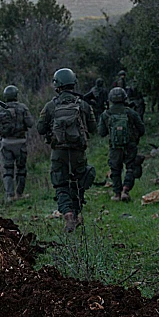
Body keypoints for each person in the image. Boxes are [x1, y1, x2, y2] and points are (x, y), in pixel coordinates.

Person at [37, 68, 97, 232]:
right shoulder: (83, 104)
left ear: (57, 85)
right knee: (78, 182)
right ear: (73, 83)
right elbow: (93, 127)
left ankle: (68, 215)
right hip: (78, 152)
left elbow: (40, 128)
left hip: (58, 152)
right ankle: (77, 214)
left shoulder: (50, 106)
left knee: (61, 184)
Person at [98, 87, 145, 202]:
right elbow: (142, 129)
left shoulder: (106, 114)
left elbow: (101, 132)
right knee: (130, 167)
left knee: (115, 169)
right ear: (124, 98)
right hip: (130, 145)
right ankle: (126, 189)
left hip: (115, 146)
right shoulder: (130, 112)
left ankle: (117, 194)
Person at [0, 84, 35, 201]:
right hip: (20, 143)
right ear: (16, 95)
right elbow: (30, 123)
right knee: (21, 169)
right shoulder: (22, 108)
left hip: (5, 143)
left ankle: (9, 195)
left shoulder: (0, 110)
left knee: (8, 170)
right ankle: (19, 194)